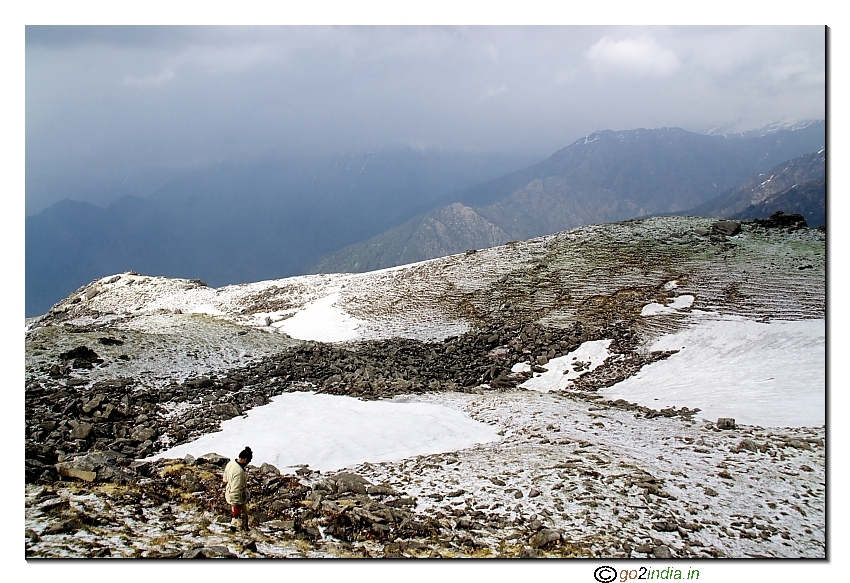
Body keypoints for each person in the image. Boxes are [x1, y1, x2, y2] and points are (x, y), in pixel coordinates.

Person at [223, 446, 252, 532]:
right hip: (236, 495)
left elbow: (225, 478)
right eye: (248, 460)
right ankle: (239, 530)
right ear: (245, 459)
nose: (248, 462)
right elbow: (236, 490)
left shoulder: (231, 463)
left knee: (240, 514)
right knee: (241, 515)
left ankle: (235, 527)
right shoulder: (239, 472)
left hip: (229, 490)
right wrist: (236, 504)